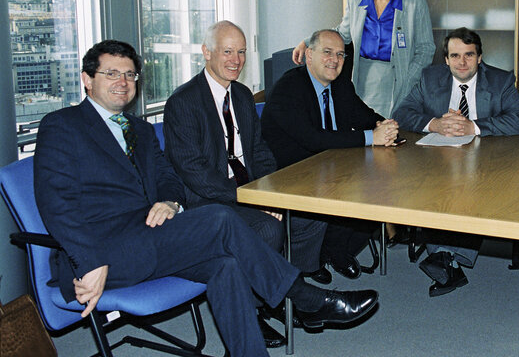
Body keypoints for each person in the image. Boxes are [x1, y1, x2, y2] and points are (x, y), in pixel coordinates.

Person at [34, 40, 379, 357]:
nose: (122, 82)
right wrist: (89, 261)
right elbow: (55, 202)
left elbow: (167, 175)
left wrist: (170, 201)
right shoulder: (62, 125)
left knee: (226, 265)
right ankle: (305, 298)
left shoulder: (137, 128)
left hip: (147, 237)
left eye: (129, 74)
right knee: (219, 217)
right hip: (102, 251)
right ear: (87, 79)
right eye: (111, 73)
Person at [163, 22, 329, 347]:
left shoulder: (241, 94)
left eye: (241, 52)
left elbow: (258, 150)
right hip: (208, 201)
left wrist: (271, 188)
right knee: (268, 228)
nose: (236, 60)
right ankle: (254, 312)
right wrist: (252, 198)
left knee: (312, 210)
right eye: (227, 51)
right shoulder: (183, 103)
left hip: (247, 188)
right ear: (206, 53)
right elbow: (196, 174)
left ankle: (279, 296)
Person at [392, 27, 519, 296]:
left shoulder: (500, 80)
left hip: (486, 160)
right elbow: (401, 112)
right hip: (437, 157)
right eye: (455, 56)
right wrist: (435, 124)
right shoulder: (430, 78)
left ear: (480, 57)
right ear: (445, 59)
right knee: (435, 186)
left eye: (469, 55)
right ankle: (446, 259)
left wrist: (473, 127)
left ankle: (443, 257)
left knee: (468, 189)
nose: (462, 62)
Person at [262, 29, 399, 279]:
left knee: (378, 186)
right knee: (351, 189)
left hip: (331, 165)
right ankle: (312, 261)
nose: (334, 60)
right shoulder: (288, 88)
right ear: (309, 55)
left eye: (340, 54)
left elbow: (365, 115)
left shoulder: (340, 86)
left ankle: (333, 251)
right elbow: (313, 138)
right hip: (292, 171)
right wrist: (371, 137)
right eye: (327, 52)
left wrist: (387, 127)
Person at [291, 0, 435, 118]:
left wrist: (408, 78)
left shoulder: (415, 3)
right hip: (365, 79)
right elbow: (342, 34)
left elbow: (426, 49)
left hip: (401, 78)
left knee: (394, 132)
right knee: (367, 127)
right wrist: (307, 42)